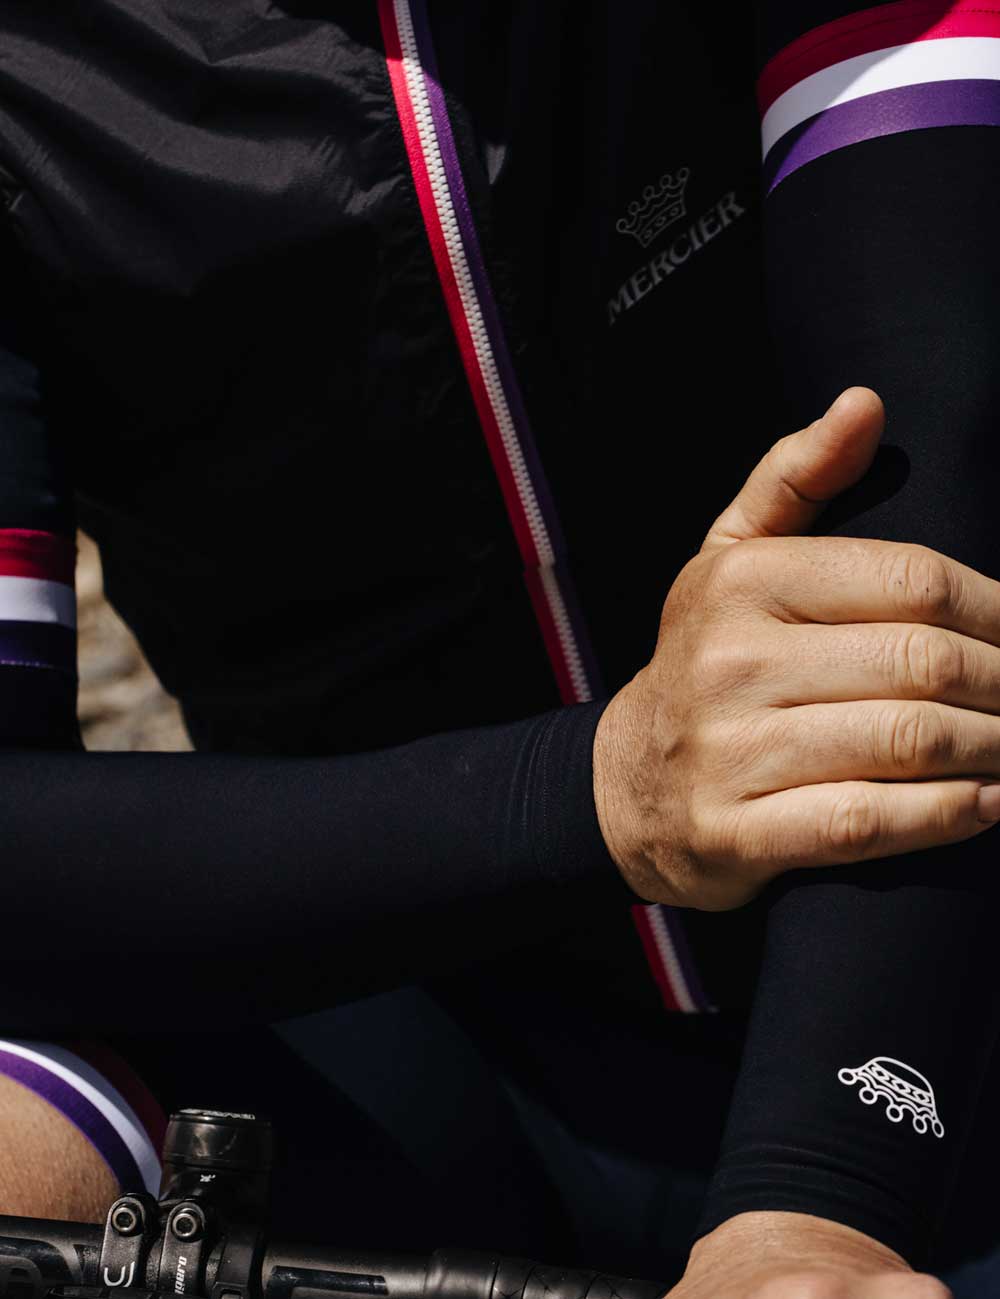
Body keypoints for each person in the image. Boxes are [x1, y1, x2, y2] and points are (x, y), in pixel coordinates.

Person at [1, 1, 999, 1295]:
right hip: (410, 1026)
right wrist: (598, 791)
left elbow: (938, 452)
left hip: (937, 990)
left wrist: (815, 1207)